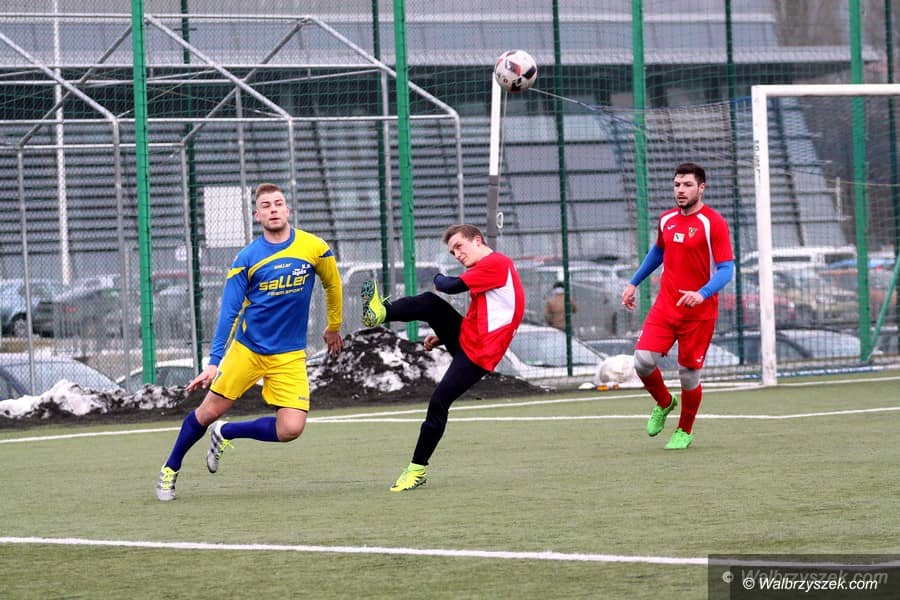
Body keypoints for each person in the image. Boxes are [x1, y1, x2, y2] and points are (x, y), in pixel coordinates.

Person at [155, 182, 344, 501]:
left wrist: (333, 327)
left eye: (278, 203)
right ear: (257, 215)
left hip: (289, 356)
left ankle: (226, 432)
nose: (273, 209)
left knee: (291, 429)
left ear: (288, 210)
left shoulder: (314, 247)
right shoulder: (247, 258)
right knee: (207, 412)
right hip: (248, 350)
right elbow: (229, 313)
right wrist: (214, 362)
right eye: (266, 206)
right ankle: (171, 468)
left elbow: (333, 285)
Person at [360, 224, 525, 491]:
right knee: (430, 303)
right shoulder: (489, 267)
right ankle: (380, 313)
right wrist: (441, 336)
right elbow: (487, 313)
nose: (457, 254)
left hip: (478, 354)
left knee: (439, 401)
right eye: (452, 252)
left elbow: (451, 286)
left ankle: (416, 470)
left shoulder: (497, 263)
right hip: (468, 338)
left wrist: (435, 276)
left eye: (459, 246)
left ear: (477, 240)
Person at [621, 162, 734, 450]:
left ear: (701, 188)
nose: (680, 190)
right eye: (677, 185)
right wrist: (633, 283)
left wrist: (702, 293)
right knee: (642, 361)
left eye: (687, 185)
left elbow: (726, 269)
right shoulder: (667, 220)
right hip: (666, 306)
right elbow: (658, 252)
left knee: (688, 374)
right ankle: (664, 402)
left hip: (699, 313)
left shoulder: (713, 223)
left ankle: (684, 430)